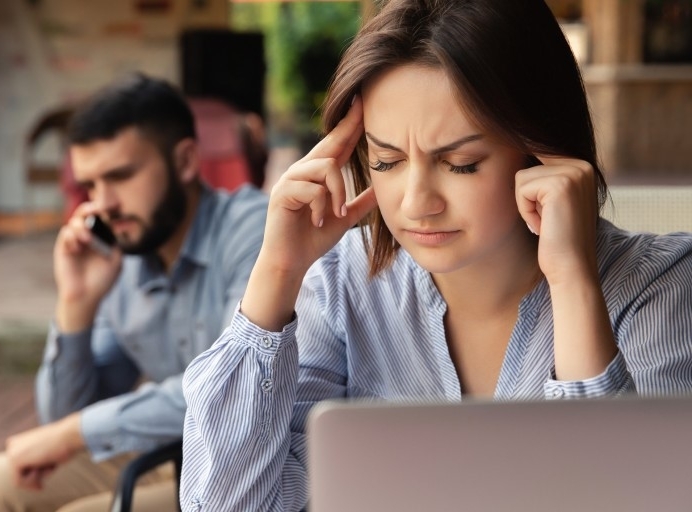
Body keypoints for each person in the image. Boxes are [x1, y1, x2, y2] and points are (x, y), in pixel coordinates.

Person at [178, 0, 692, 510]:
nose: (415, 204)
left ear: (542, 149)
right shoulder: (340, 283)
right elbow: (229, 504)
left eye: (461, 163)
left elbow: (638, 498)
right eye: (386, 161)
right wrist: (278, 271)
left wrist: (573, 281)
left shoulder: (659, 285)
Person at [0, 73, 269, 511]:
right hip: (171, 453)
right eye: (90, 185)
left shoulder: (253, 231)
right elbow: (62, 418)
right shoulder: (123, 257)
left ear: (185, 161)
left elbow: (229, 392)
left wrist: (74, 433)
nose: (103, 204)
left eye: (120, 176)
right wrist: (76, 304)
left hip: (252, 469)